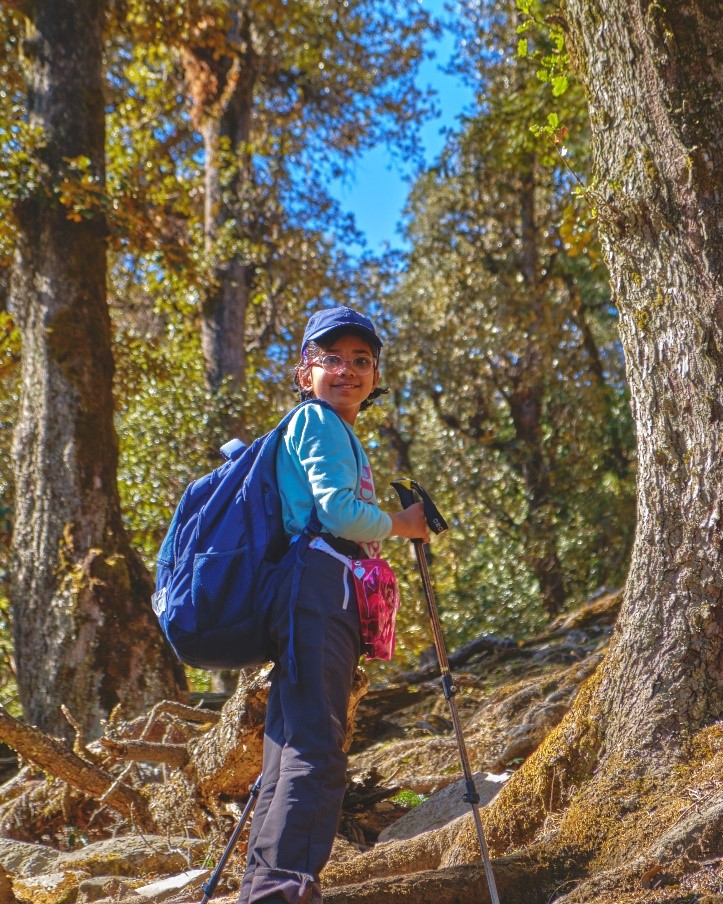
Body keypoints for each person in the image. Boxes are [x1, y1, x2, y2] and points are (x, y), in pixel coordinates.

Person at [237, 306, 429, 904]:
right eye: (331, 359)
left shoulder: (324, 427)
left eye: (361, 361)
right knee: (317, 747)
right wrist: (403, 524)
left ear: (375, 378)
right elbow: (340, 513)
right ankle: (283, 892)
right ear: (305, 373)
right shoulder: (318, 422)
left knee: (292, 741)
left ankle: (264, 889)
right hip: (321, 583)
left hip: (305, 585)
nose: (347, 370)